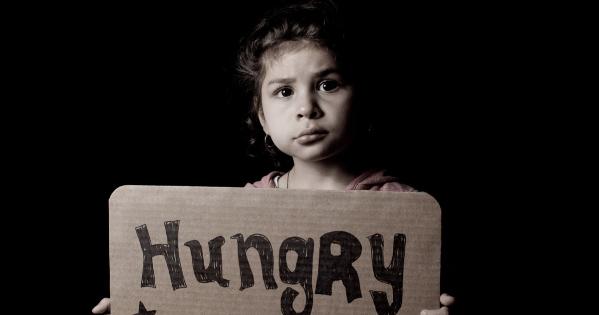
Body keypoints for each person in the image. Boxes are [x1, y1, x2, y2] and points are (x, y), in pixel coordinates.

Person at [93, 0, 455, 314]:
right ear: (262, 117)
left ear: (359, 99)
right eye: (284, 91)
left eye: (327, 84)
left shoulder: (405, 212)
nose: (307, 108)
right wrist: (134, 303)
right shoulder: (241, 212)